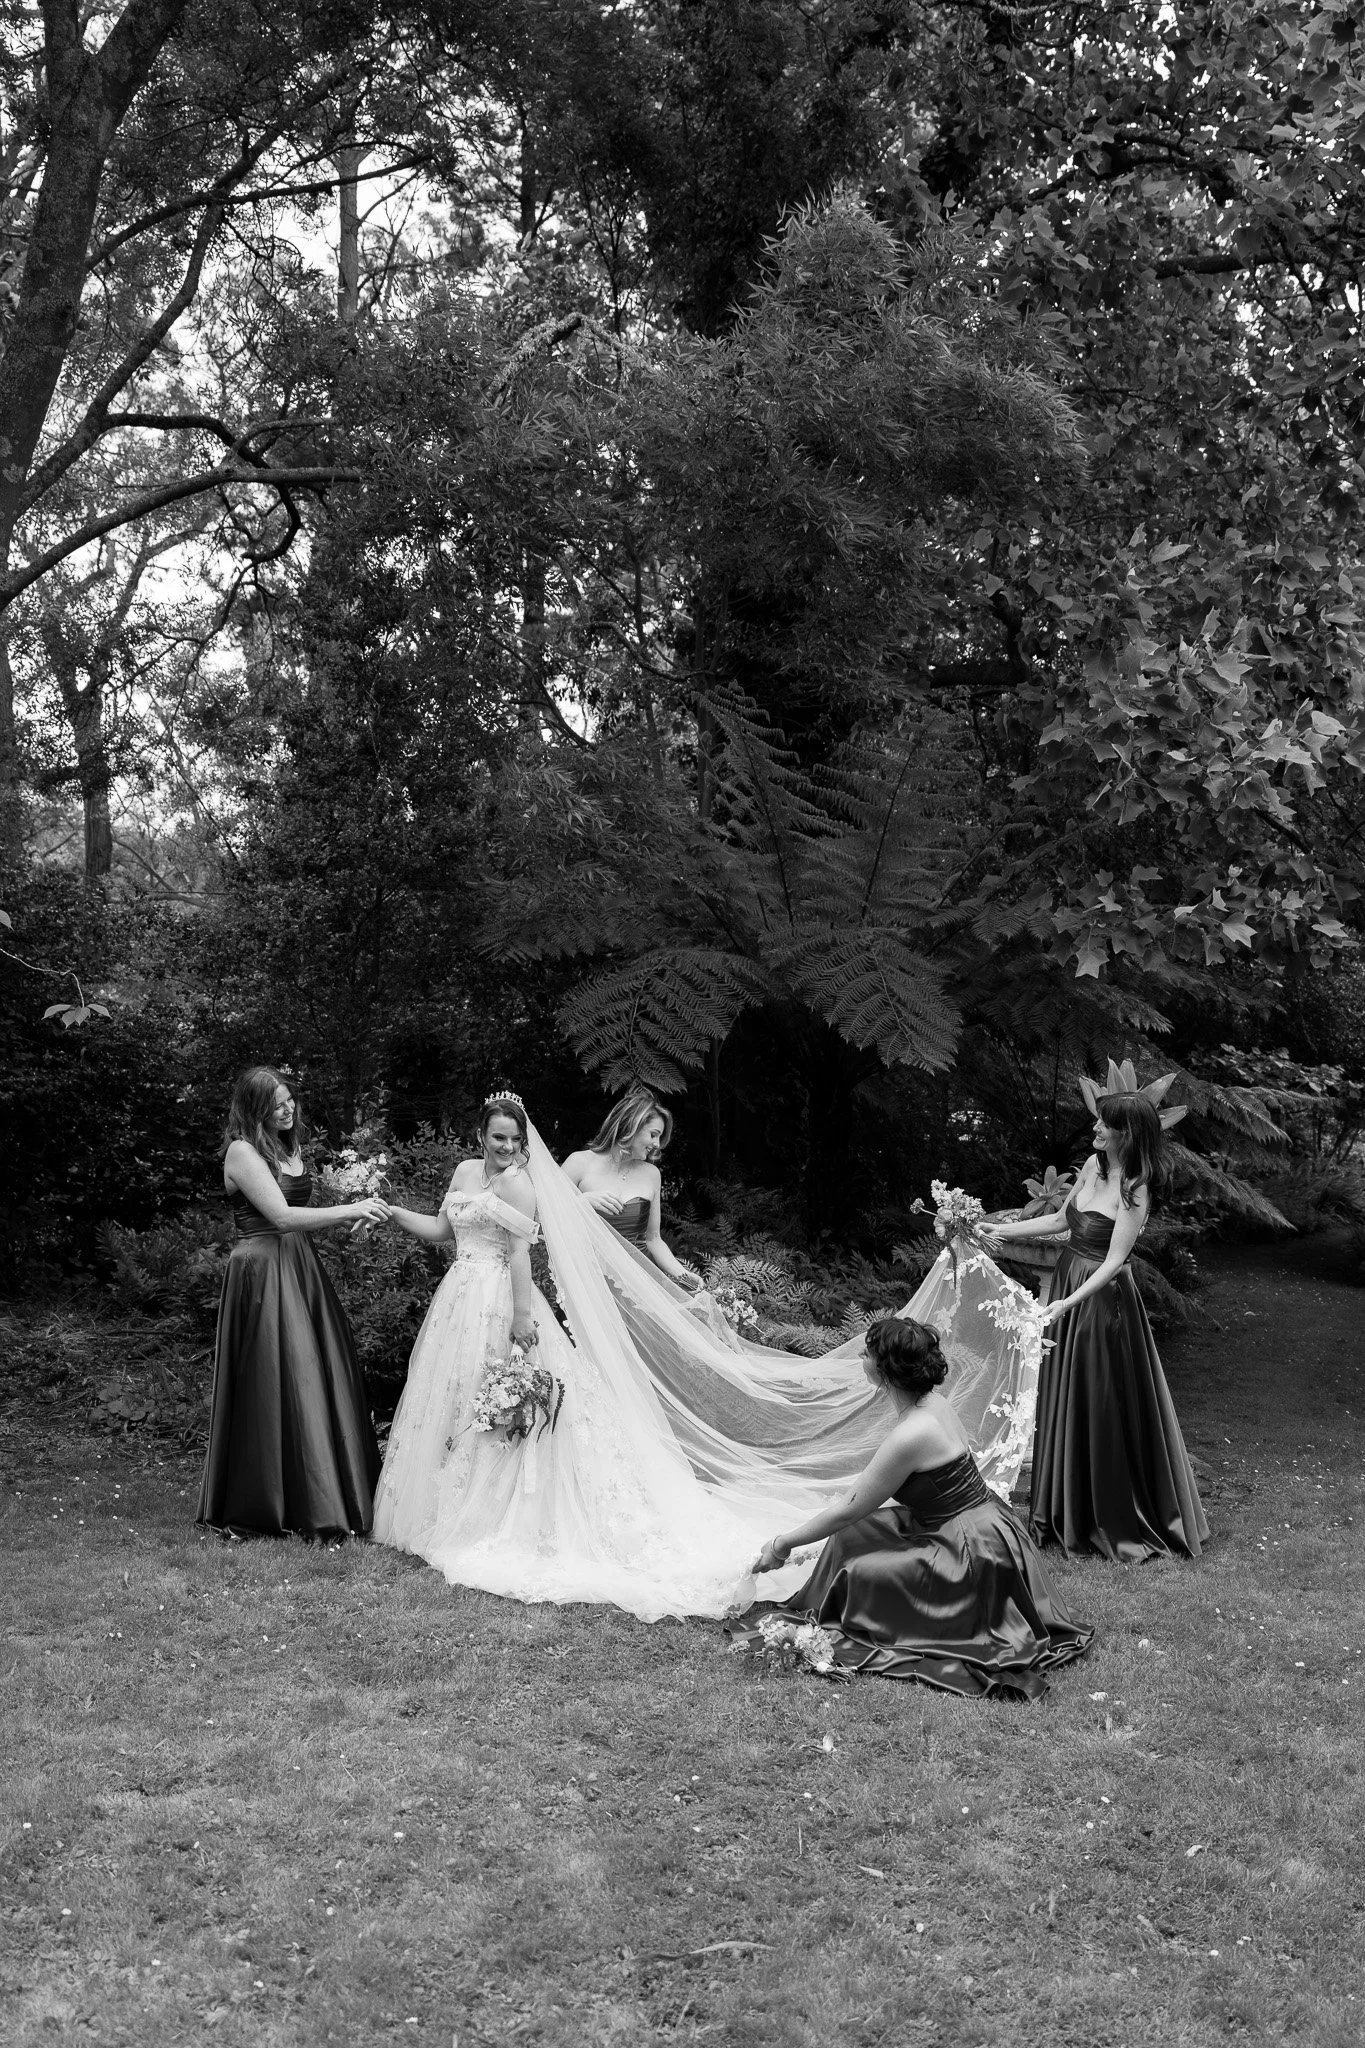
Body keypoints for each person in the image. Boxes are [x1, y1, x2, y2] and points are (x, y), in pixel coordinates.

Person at [743, 1318, 1093, 1696]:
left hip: (969, 1553)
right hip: (971, 1524)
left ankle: (876, 1615)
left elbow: (848, 1507)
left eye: (866, 1353)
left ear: (885, 1369)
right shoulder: (932, 1403)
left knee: (860, 1571)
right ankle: (836, 1604)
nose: (860, 1356)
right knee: (852, 1537)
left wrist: (781, 1545)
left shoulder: (912, 1433)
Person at [982, 1093, 1208, 1561]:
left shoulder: (1137, 1186)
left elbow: (1113, 1262)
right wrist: (990, 1230)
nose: (1096, 1129)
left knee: (1097, 1399)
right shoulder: (1090, 1165)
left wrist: (1067, 1302)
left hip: (1100, 1298)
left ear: (1126, 1133)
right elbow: (1059, 1221)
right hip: (1069, 1275)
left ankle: (1107, 1515)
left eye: (1105, 1125)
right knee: (1062, 1393)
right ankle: (1060, 1510)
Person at [197, 1067, 385, 1539]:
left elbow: (300, 1216)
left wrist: (353, 1216)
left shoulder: (286, 1147)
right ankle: (267, 1501)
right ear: (255, 1108)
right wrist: (349, 1210)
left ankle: (325, 1489)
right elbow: (280, 1217)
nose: (289, 1108)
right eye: (278, 1103)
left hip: (299, 1266)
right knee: (274, 1376)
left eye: (290, 1099)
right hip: (262, 1269)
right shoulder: (241, 1152)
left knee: (315, 1370)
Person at [561, 1086, 703, 1291]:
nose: (657, 1144)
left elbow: (653, 1238)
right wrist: (580, 1202)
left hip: (638, 1282)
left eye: (660, 1137)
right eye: (653, 1135)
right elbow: (544, 1217)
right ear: (631, 1127)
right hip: (588, 1280)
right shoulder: (579, 1163)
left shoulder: (651, 1174)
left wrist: (684, 1276)